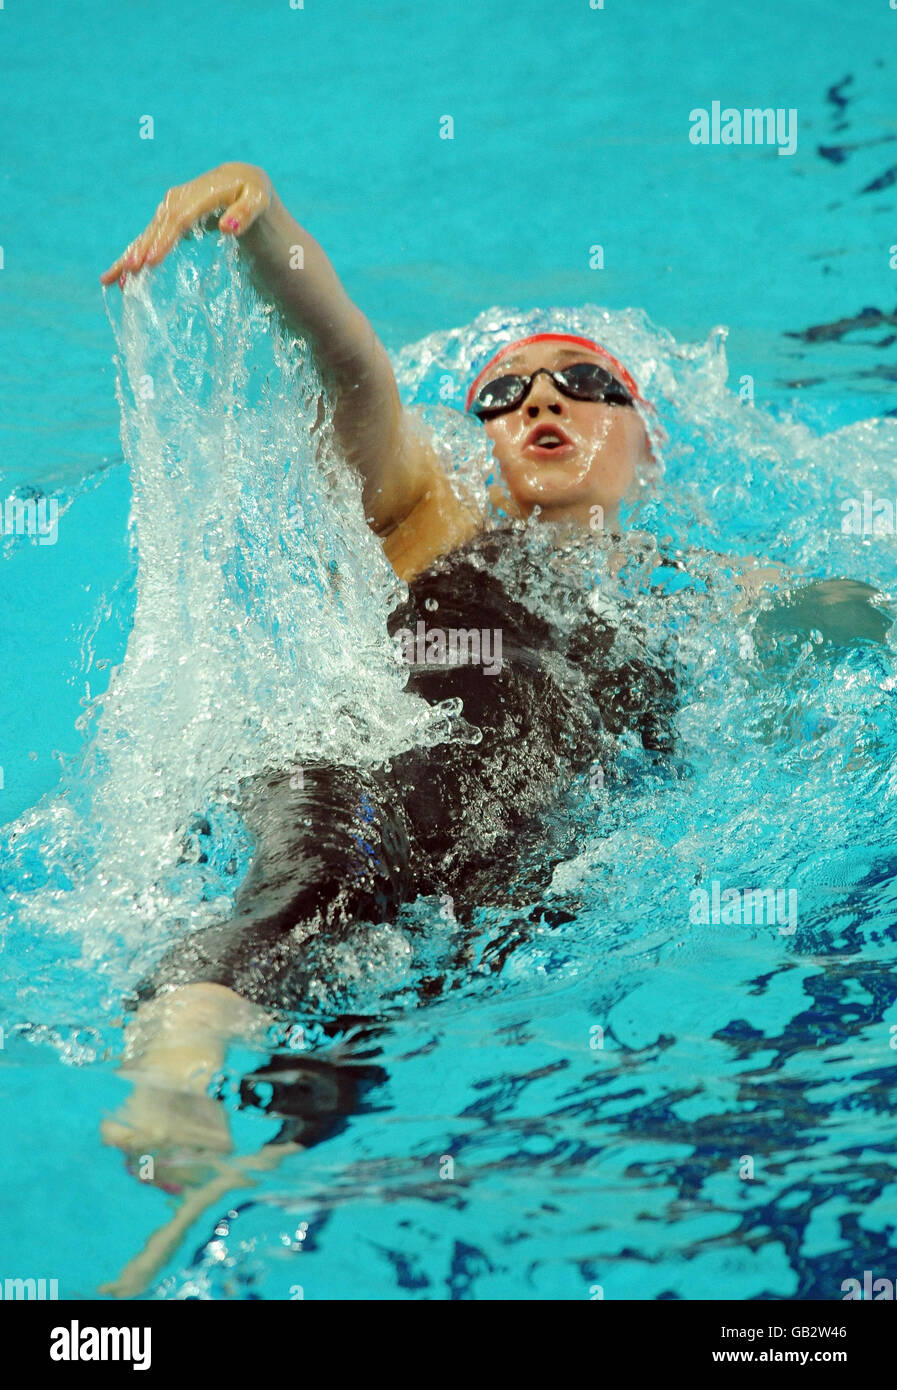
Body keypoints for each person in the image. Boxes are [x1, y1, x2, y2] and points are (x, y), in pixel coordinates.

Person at [95, 163, 887, 1293]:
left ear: (648, 443)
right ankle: (169, 1077)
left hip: (510, 856)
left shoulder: (708, 595)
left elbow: (857, 631)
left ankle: (201, 1210)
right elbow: (350, 363)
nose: (541, 404)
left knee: (361, 1038)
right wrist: (266, 222)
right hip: (361, 775)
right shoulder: (435, 516)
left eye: (581, 383)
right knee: (311, 898)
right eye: (507, 396)